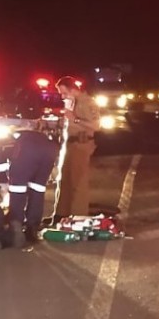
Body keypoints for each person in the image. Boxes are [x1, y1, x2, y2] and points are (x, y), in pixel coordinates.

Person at [0, 121, 60, 248]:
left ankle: (16, 226)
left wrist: (2, 181)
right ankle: (32, 227)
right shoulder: (36, 135)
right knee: (37, 190)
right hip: (49, 149)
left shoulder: (2, 141)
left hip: (27, 151)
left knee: (17, 190)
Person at [54, 76, 100, 219]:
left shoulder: (88, 103)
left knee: (78, 182)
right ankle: (62, 214)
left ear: (73, 89)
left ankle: (78, 216)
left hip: (82, 144)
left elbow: (96, 125)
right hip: (70, 144)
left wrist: (75, 119)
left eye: (64, 93)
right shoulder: (72, 103)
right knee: (65, 180)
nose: (62, 96)